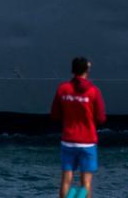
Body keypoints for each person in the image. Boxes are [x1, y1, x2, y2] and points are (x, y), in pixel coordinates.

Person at [51, 56, 106, 198]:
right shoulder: (94, 91)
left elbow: (55, 114)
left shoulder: (63, 89)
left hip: (68, 139)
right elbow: (101, 118)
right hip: (87, 141)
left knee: (66, 180)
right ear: (87, 70)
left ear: (73, 70)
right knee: (86, 182)